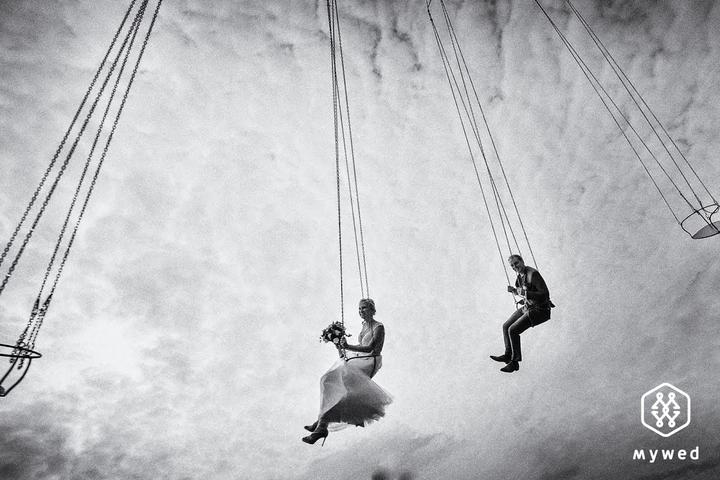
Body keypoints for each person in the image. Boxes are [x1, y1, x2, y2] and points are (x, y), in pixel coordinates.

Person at [302, 298, 392, 445]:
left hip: (371, 359)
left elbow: (370, 348)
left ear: (372, 310)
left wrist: (348, 347)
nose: (361, 311)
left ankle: (321, 424)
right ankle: (321, 421)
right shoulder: (364, 326)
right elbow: (360, 345)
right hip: (361, 356)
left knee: (341, 378)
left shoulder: (379, 327)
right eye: (359, 309)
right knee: (327, 380)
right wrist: (338, 342)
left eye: (364, 308)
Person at [490, 254, 554, 373]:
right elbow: (524, 292)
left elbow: (545, 294)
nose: (515, 267)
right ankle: (508, 355)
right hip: (529, 307)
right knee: (506, 326)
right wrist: (515, 291)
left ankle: (514, 363)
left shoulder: (533, 274)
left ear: (522, 261)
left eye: (516, 263)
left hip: (540, 310)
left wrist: (525, 293)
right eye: (512, 266)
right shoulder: (519, 278)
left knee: (513, 330)